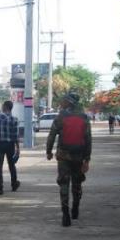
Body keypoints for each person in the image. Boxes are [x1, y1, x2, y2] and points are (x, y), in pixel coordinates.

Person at [46, 92, 92, 227]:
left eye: (64, 100)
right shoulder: (84, 118)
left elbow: (52, 135)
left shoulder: (61, 117)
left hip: (63, 156)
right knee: (77, 184)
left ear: (69, 102)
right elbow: (88, 140)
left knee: (64, 184)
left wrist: (48, 151)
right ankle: (75, 208)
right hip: (79, 156)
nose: (62, 103)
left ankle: (65, 214)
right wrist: (87, 159)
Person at [0, 100, 20, 195]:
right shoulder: (14, 119)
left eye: (3, 106)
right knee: (11, 165)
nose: (2, 107)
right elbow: (15, 136)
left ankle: (0, 188)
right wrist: (17, 148)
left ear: (5, 107)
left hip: (0, 144)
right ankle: (14, 184)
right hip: (10, 145)